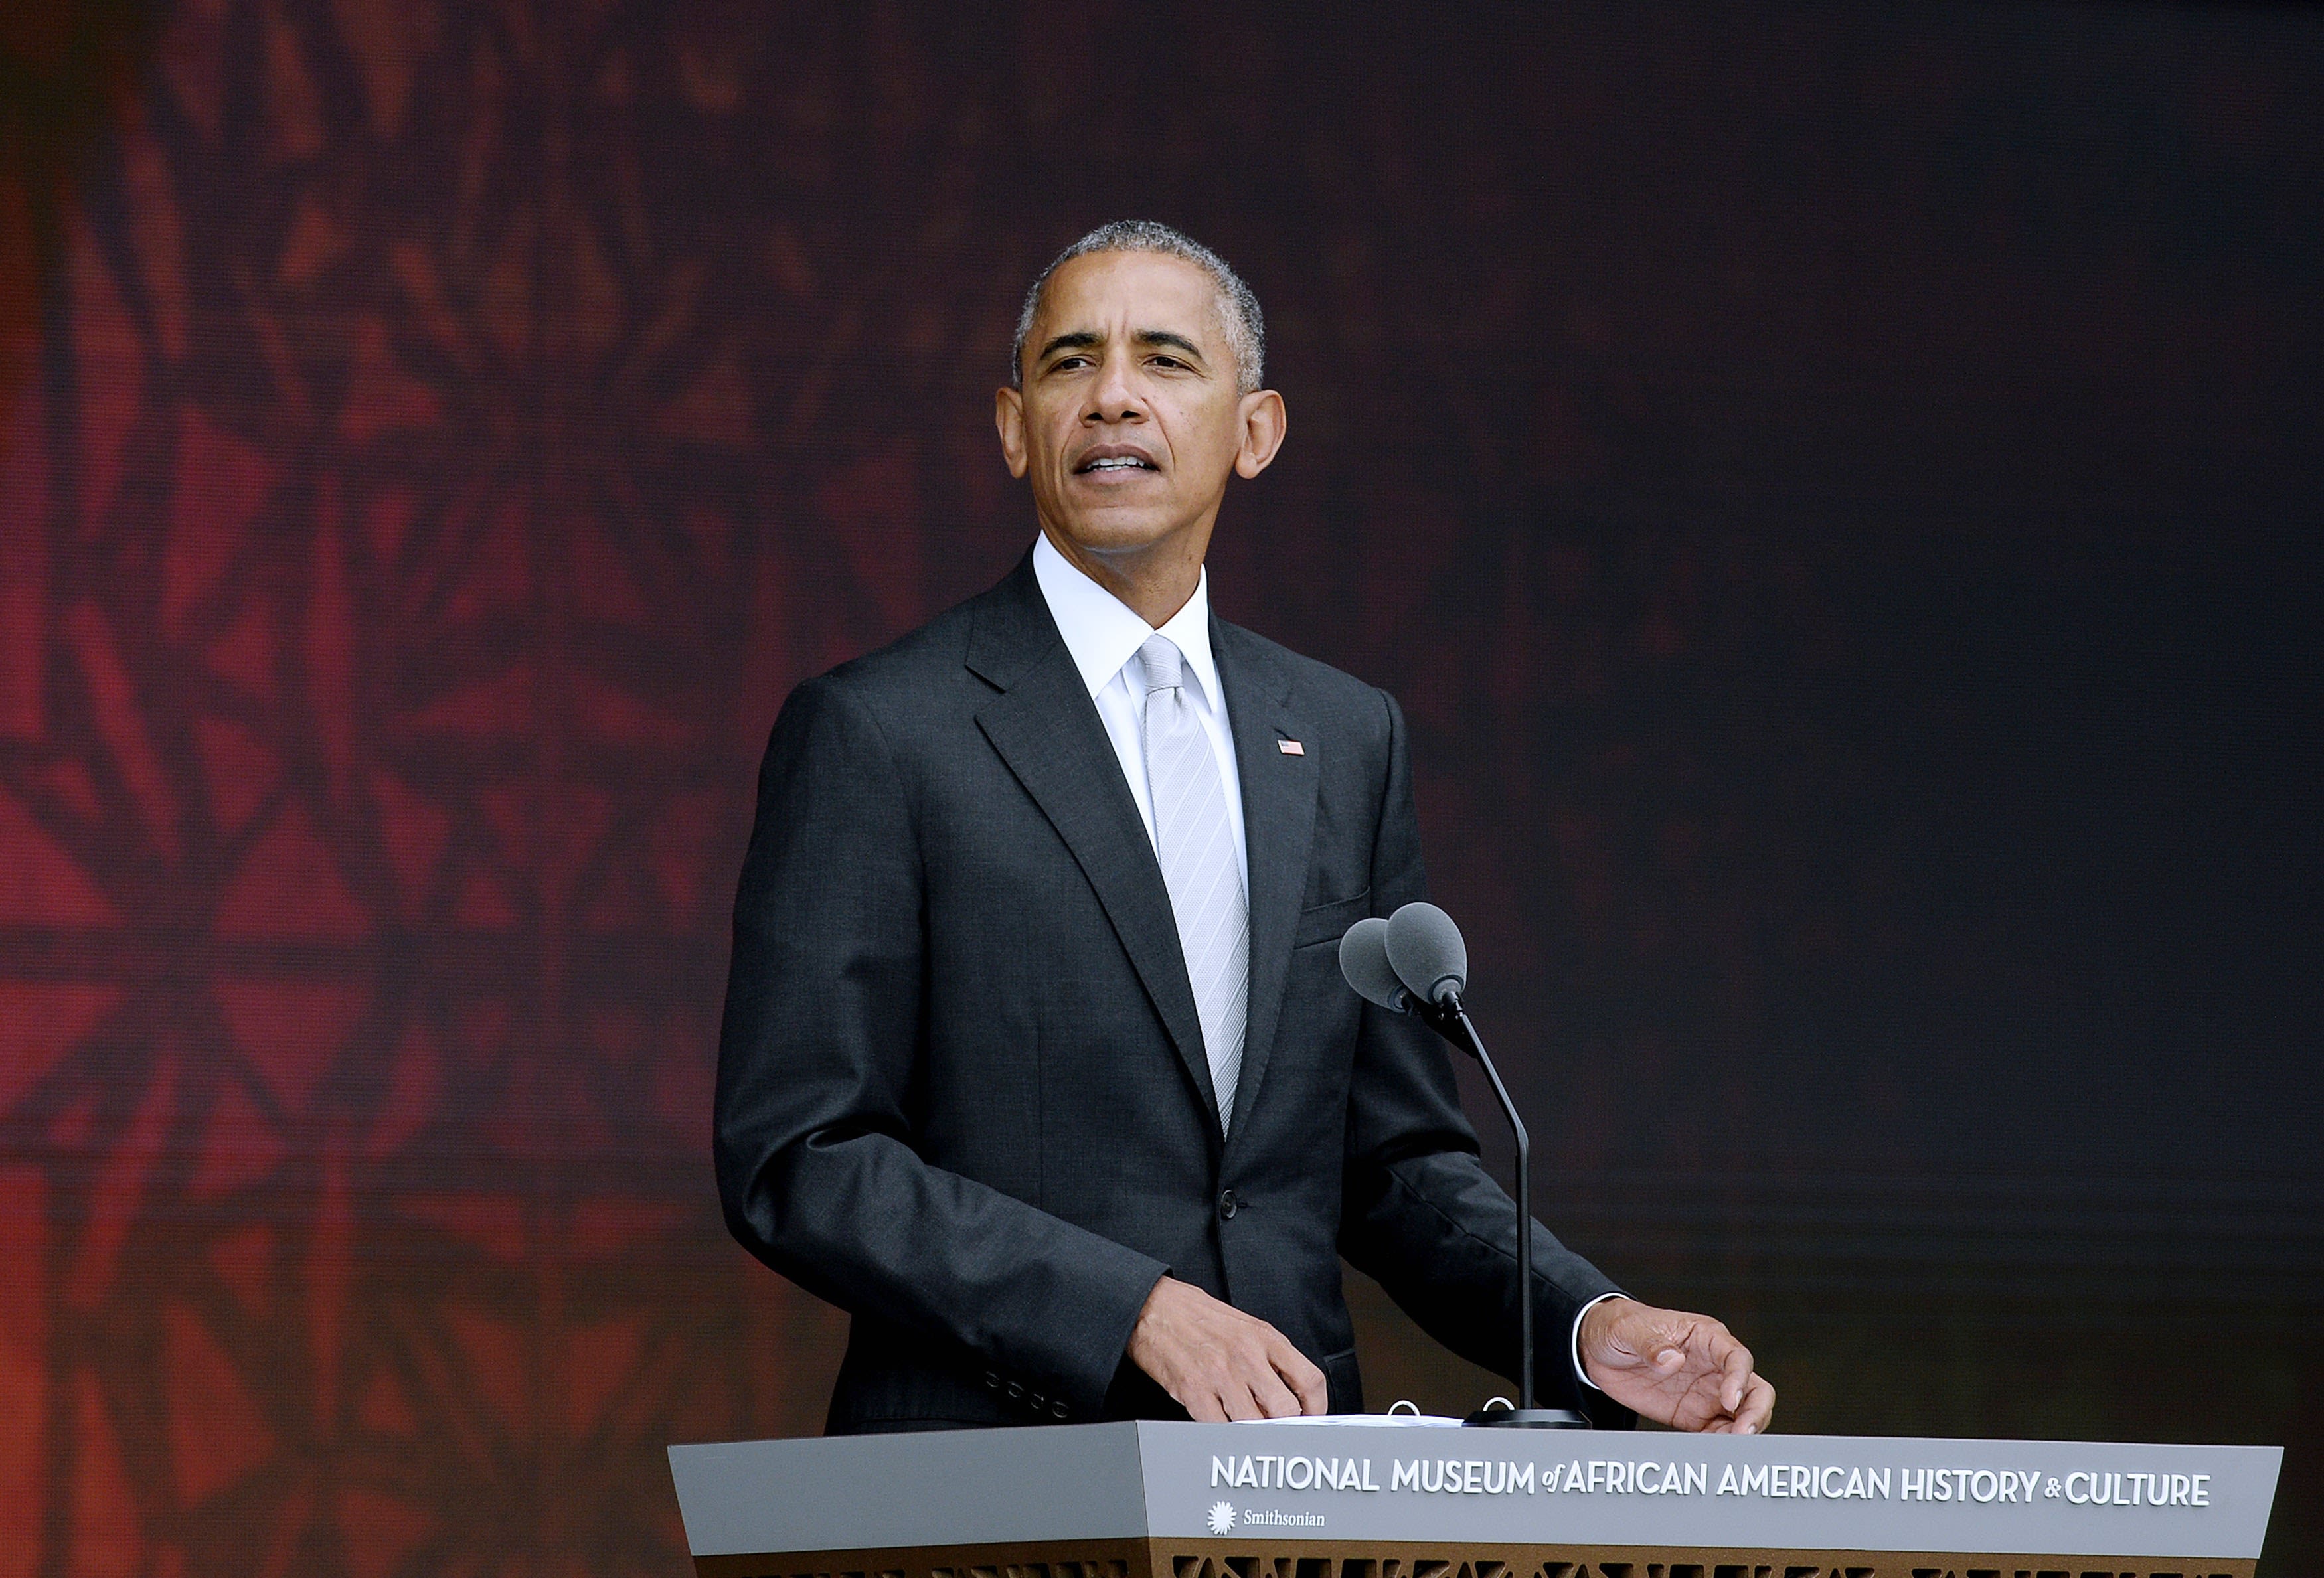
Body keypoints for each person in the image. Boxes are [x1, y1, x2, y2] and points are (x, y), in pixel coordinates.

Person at [715, 221, 1774, 1436]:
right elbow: (800, 1154)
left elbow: (1392, 1165)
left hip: (1296, 1497)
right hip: (998, 1489)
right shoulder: (879, 731)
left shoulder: (1340, 735)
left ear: (1256, 432)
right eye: (1070, 363)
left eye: (1165, 361)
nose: (1113, 396)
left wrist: (1592, 1330)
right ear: (1014, 429)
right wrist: (1130, 1309)